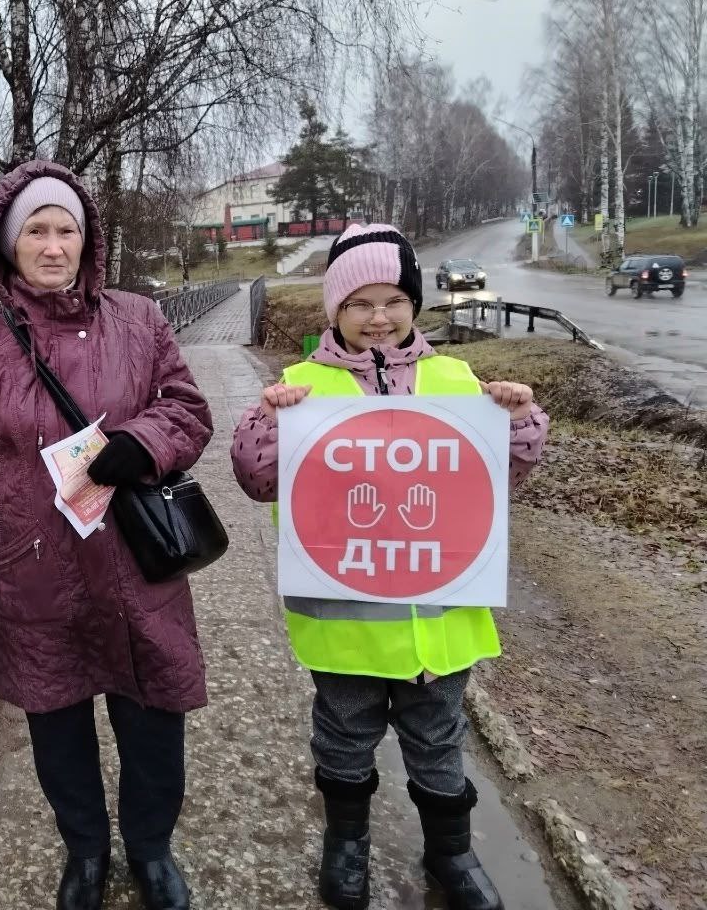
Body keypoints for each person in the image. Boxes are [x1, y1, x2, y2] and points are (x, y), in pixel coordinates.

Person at [230, 223, 548, 910]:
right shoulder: (301, 386)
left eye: (393, 300)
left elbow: (503, 475)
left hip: (440, 625)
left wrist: (520, 420)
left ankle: (451, 852)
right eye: (359, 304)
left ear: (413, 304)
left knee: (439, 740)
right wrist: (267, 422)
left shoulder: (455, 379)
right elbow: (256, 480)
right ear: (335, 311)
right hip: (346, 628)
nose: (378, 317)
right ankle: (346, 843)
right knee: (344, 739)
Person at [0, 160, 213, 910]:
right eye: (36, 231)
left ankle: (151, 849)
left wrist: (143, 442)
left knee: (153, 719)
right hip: (32, 572)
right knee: (57, 726)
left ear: (88, 241)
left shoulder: (138, 319)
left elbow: (187, 408)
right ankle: (85, 851)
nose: (54, 247)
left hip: (135, 563)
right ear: (7, 244)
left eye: (67, 230)